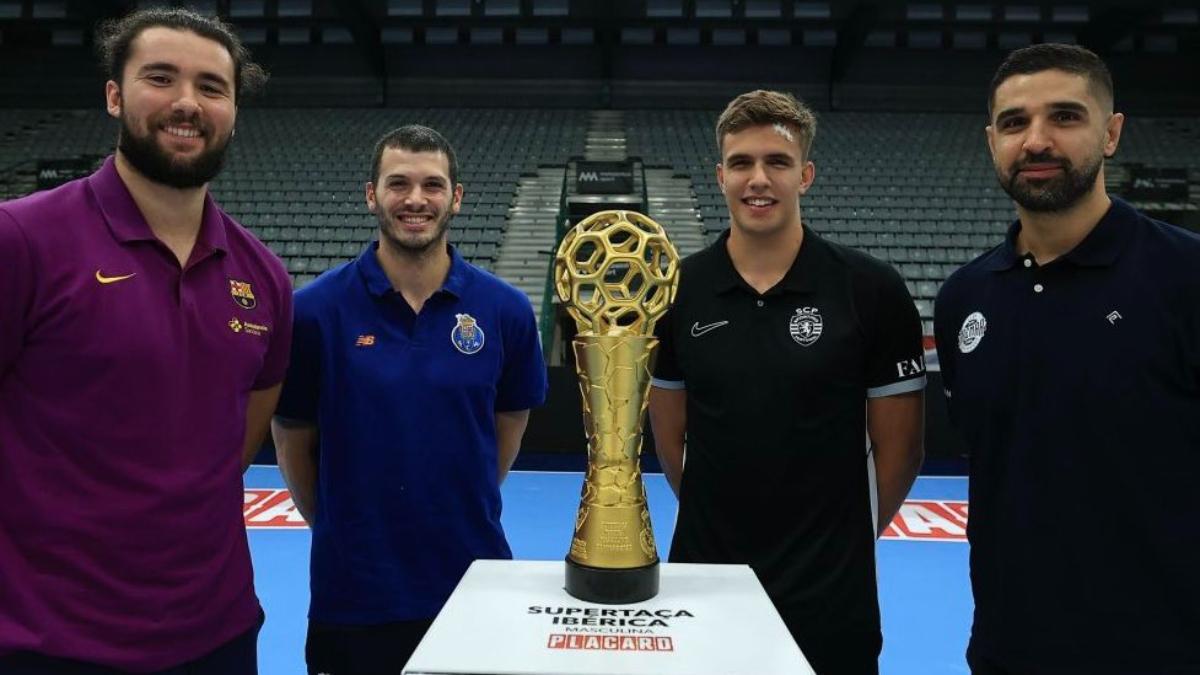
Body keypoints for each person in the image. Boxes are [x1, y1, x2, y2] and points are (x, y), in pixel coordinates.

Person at [0, 8, 289, 674]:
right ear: (113, 95)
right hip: (45, 644)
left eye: (212, 87)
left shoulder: (263, 276)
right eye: (161, 78)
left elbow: (231, 446)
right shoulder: (23, 242)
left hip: (217, 636)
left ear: (234, 110)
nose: (187, 102)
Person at [935, 43, 1200, 675]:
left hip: (1166, 651)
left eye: (1065, 117)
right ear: (990, 141)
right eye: (1014, 122)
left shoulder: (1186, 278)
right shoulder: (964, 298)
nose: (1037, 140)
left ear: (1111, 134)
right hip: (1008, 648)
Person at [648, 90, 926, 675]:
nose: (759, 179)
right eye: (743, 163)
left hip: (830, 593)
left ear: (806, 175)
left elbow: (900, 450)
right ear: (720, 175)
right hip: (707, 581)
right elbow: (672, 441)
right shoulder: (677, 288)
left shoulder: (870, 289)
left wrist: (842, 542)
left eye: (777, 162)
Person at [272, 124, 548, 675]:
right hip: (353, 594)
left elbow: (508, 427)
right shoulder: (313, 313)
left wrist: (455, 501)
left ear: (457, 198)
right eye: (398, 184)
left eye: (432, 185)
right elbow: (292, 438)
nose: (416, 200)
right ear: (372, 194)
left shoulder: (506, 311)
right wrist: (342, 524)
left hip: (472, 581)